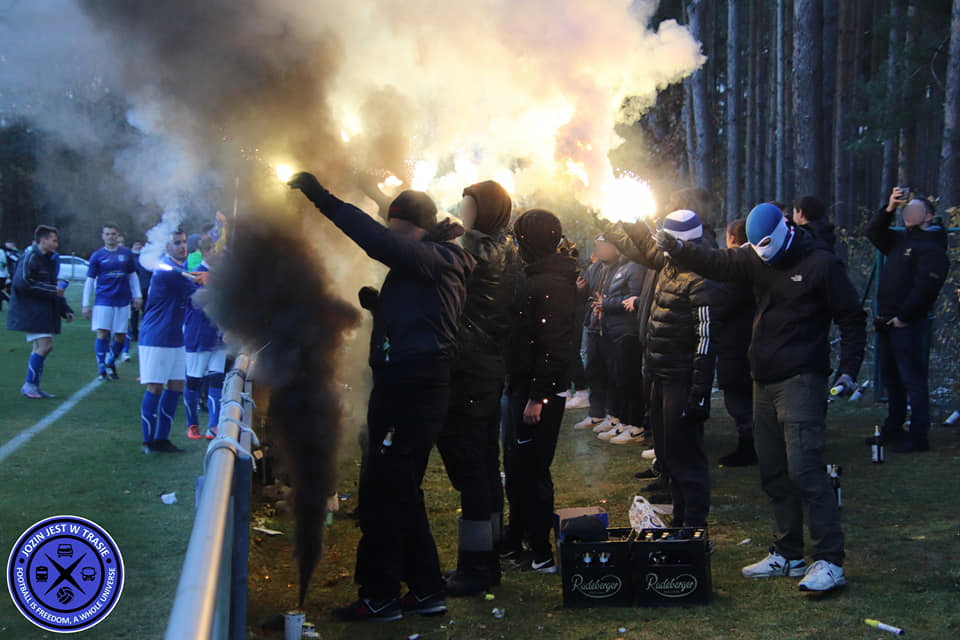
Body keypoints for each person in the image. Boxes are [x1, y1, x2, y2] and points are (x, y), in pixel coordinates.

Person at [288, 172, 475, 622]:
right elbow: (426, 312)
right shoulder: (432, 258)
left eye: (400, 230)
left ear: (420, 229)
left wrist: (323, 197)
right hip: (409, 383)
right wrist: (383, 307)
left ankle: (380, 594)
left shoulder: (438, 256)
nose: (394, 238)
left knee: (385, 490)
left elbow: (377, 242)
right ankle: (425, 589)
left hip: (412, 387)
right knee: (399, 487)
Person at [656, 202, 866, 593]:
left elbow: (852, 317)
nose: (762, 253)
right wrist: (678, 248)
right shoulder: (754, 257)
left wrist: (849, 371)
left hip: (802, 378)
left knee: (805, 469)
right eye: (755, 247)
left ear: (785, 229)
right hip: (763, 379)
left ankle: (829, 560)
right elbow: (717, 262)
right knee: (772, 470)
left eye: (766, 244)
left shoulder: (821, 264)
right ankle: (788, 552)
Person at [608, 210, 720, 529]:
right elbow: (645, 244)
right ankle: (680, 519)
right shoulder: (669, 264)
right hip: (660, 373)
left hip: (681, 379)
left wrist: (698, 393)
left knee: (686, 455)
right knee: (669, 451)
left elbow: (706, 341)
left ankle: (694, 525)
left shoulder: (700, 278)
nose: (659, 247)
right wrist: (628, 218)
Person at [437, 180, 521, 596]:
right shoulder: (509, 248)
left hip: (467, 372)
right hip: (488, 371)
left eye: (468, 207)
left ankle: (475, 568)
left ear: (484, 211)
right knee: (485, 471)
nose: (462, 215)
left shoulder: (475, 247)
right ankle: (487, 559)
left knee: (472, 473)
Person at [500, 208, 578, 574]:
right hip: (523, 386)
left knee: (532, 470)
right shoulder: (537, 276)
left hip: (537, 393)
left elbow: (555, 347)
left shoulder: (552, 283)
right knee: (518, 469)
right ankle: (516, 538)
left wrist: (537, 397)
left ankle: (541, 551)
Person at [865, 188, 949, 453]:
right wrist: (889, 208)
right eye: (906, 209)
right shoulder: (900, 239)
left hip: (907, 324)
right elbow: (873, 232)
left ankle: (918, 436)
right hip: (886, 321)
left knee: (913, 380)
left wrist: (904, 317)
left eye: (915, 210)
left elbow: (926, 288)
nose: (908, 213)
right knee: (892, 380)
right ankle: (893, 428)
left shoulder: (932, 246)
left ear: (928, 216)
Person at [138, 228, 200, 454]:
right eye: (177, 243)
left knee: (176, 385)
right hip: (157, 336)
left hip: (175, 336)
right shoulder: (168, 270)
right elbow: (198, 293)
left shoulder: (177, 269)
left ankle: (162, 439)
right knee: (155, 386)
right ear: (167, 247)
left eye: (184, 242)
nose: (182, 246)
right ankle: (148, 442)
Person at [588, 234, 648, 445]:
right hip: (613, 330)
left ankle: (636, 425)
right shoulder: (620, 267)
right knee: (618, 379)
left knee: (630, 380)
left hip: (627, 332)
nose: (601, 250)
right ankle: (623, 421)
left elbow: (635, 299)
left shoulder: (635, 267)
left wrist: (607, 304)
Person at [6, 226, 74, 398]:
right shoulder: (30, 256)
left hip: (42, 310)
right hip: (30, 311)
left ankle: (32, 386)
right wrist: (52, 290)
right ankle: (29, 385)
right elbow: (22, 283)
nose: (56, 244)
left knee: (40, 347)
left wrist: (64, 309)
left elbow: (53, 287)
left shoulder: (49, 259)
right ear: (43, 240)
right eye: (54, 240)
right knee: (45, 346)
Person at [715, 219, 757, 466]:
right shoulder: (760, 260)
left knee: (739, 399)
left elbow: (725, 302)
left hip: (737, 341)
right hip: (751, 338)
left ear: (731, 237)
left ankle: (749, 446)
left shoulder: (736, 266)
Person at [82, 224, 141, 380]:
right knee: (102, 333)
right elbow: (90, 280)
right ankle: (101, 367)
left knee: (121, 336)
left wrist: (137, 295)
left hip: (123, 301)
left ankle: (111, 361)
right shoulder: (97, 256)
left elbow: (132, 276)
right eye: (107, 234)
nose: (110, 237)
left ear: (117, 236)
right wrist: (85, 304)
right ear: (103, 236)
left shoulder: (126, 254)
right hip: (103, 300)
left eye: (113, 234)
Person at [183, 236, 226, 441]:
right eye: (215, 250)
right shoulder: (194, 274)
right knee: (194, 381)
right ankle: (192, 425)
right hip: (199, 333)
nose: (219, 254)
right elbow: (198, 302)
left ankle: (213, 426)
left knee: (217, 378)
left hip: (219, 334)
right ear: (205, 252)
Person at [572, 255, 617, 432]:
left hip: (611, 326)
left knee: (612, 373)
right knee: (593, 370)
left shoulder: (622, 267)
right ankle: (596, 413)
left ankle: (613, 415)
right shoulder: (594, 268)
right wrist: (580, 289)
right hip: (592, 324)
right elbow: (586, 294)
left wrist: (607, 304)